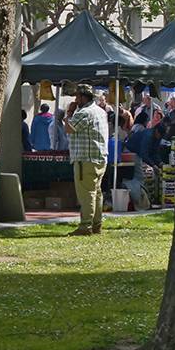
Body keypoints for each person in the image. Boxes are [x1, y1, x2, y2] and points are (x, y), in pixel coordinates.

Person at [64, 84, 109, 236]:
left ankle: (85, 226)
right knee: (97, 192)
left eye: (77, 96)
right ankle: (97, 224)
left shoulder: (83, 112)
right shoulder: (101, 111)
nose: (75, 99)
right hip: (100, 158)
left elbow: (69, 128)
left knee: (86, 193)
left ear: (83, 97)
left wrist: (69, 112)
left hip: (86, 159)